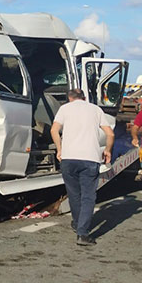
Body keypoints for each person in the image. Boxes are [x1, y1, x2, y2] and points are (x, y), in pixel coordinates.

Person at [51, 89, 114, 246]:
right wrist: (107, 150)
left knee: (74, 194)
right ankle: (82, 233)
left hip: (68, 158)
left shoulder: (64, 108)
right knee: (88, 196)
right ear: (85, 98)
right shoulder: (95, 109)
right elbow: (110, 134)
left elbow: (54, 130)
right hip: (89, 158)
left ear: (70, 98)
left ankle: (77, 222)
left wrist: (60, 149)